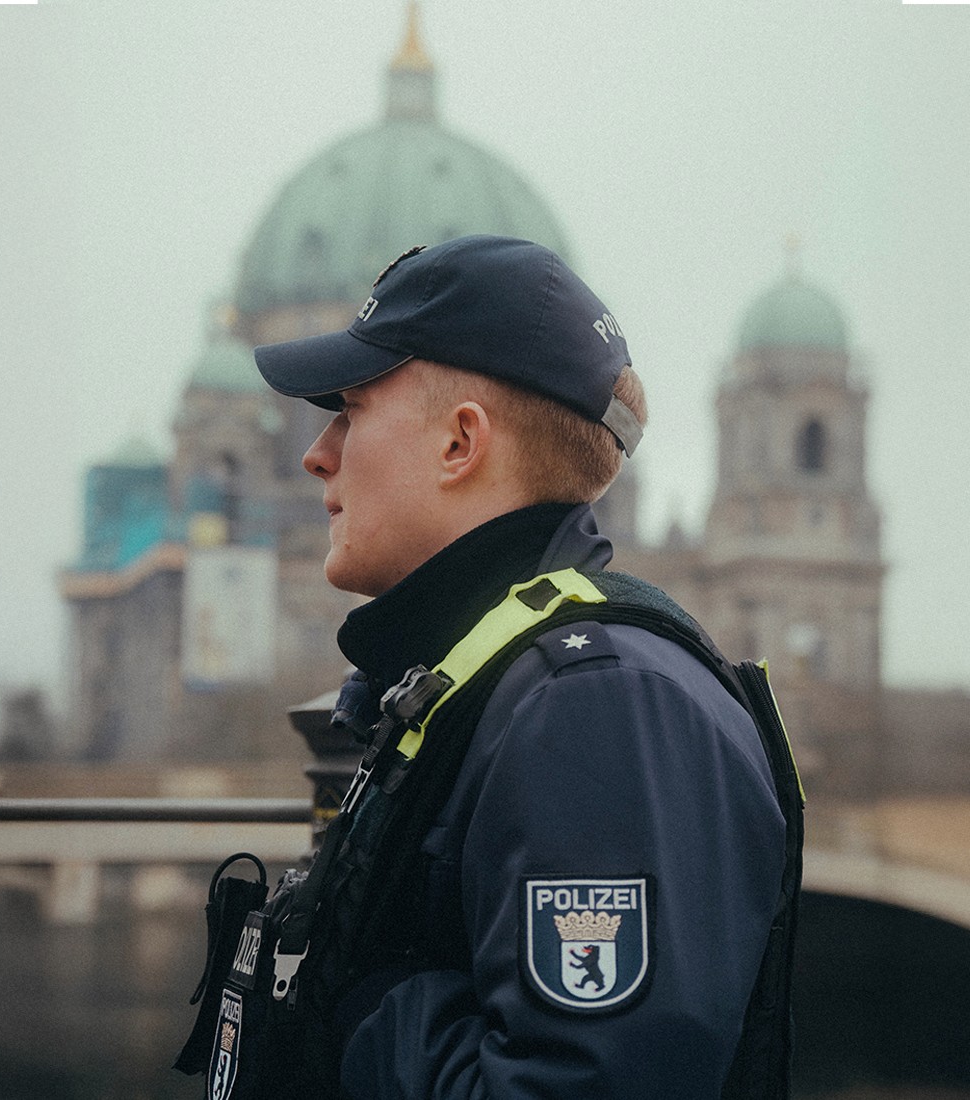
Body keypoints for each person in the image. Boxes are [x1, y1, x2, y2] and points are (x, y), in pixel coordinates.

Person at [249, 235, 794, 1099]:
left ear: (461, 442)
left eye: (350, 409)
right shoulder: (488, 680)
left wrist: (338, 996)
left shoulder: (600, 706)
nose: (318, 454)